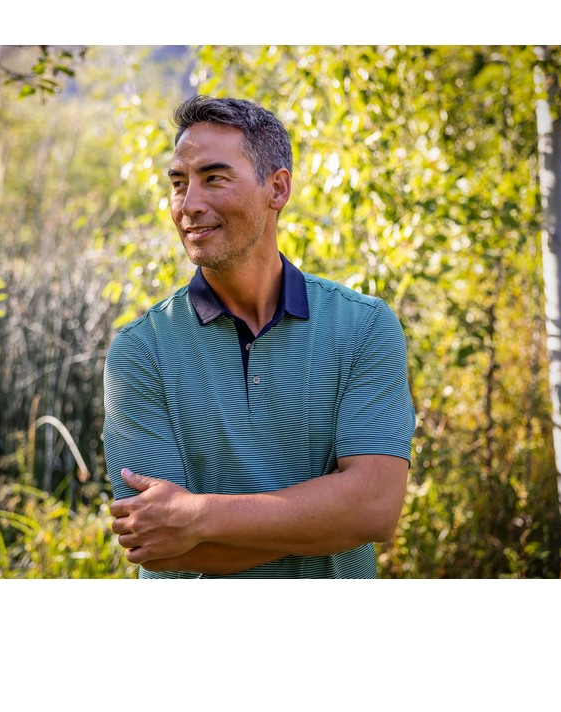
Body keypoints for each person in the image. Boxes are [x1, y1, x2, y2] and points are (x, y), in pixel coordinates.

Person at [102, 95, 415, 578]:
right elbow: (158, 545)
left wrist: (198, 516)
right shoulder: (140, 350)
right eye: (179, 183)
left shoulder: (364, 326)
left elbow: (373, 509)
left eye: (214, 178)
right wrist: (327, 516)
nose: (189, 205)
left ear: (277, 188)